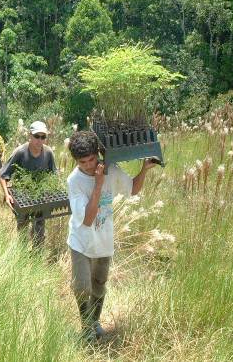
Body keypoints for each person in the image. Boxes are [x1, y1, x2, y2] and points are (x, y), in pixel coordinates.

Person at [66, 131, 157, 341]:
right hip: (81, 242)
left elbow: (133, 189)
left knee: (99, 285)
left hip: (103, 241)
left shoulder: (112, 170)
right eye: (83, 162)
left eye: (92, 159)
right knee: (82, 287)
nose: (89, 165)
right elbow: (88, 220)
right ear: (76, 161)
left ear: (98, 153)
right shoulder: (75, 181)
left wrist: (144, 169)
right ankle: (86, 326)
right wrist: (98, 183)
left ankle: (94, 321)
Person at [0, 121, 56, 249]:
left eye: (43, 137)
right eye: (37, 136)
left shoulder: (48, 153)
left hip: (40, 197)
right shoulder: (20, 152)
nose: (39, 140)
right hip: (21, 197)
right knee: (23, 228)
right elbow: (3, 174)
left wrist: (52, 191)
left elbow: (54, 174)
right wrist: (7, 195)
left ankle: (36, 258)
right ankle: (22, 256)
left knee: (39, 230)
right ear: (30, 136)